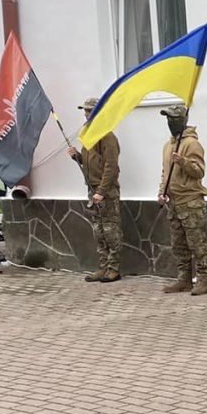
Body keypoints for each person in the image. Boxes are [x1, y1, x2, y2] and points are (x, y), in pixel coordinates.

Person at [159, 103, 207, 296]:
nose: (170, 122)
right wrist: (162, 192)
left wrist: (183, 162)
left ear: (182, 120)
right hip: (173, 202)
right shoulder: (168, 146)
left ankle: (203, 279)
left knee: (197, 243)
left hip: (190, 202)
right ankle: (184, 279)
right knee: (178, 244)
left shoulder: (192, 144)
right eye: (168, 119)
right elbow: (165, 173)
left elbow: (199, 171)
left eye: (173, 119)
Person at [68, 99, 121, 283]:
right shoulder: (89, 135)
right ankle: (103, 267)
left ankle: (114, 269)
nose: (86, 114)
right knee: (98, 231)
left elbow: (111, 167)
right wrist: (77, 157)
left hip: (106, 192)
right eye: (85, 111)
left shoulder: (107, 136)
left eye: (90, 111)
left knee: (110, 231)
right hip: (93, 190)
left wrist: (102, 191)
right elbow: (91, 162)